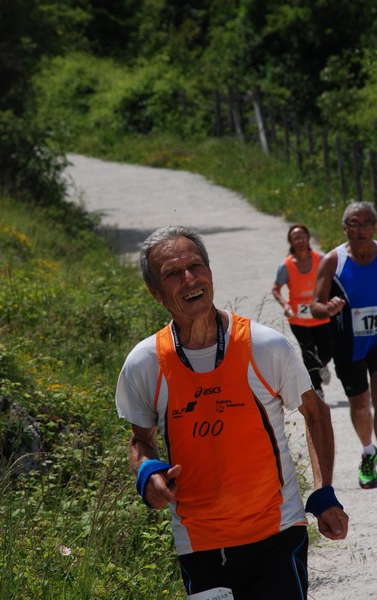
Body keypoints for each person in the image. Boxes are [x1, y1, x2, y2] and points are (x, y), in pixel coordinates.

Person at [116, 225, 348, 600]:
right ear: (156, 293)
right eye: (173, 274)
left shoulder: (264, 345)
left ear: (209, 271)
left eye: (196, 266)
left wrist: (323, 493)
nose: (189, 279)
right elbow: (140, 439)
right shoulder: (145, 363)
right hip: (199, 545)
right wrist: (148, 473)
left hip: (276, 532)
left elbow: (315, 413)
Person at [311, 201, 377, 489]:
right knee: (360, 404)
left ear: (374, 226)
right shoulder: (333, 260)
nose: (360, 229)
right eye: (354, 223)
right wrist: (329, 309)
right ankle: (367, 452)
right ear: (345, 228)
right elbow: (314, 306)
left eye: (366, 223)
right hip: (347, 343)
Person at [272, 224, 332, 400]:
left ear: (308, 238)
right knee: (308, 352)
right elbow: (276, 289)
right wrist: (285, 305)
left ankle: (323, 365)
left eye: (302, 236)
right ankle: (318, 389)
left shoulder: (321, 259)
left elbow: (334, 279)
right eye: (295, 238)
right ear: (291, 242)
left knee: (326, 352)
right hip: (298, 319)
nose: (300, 241)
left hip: (321, 315)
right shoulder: (286, 266)